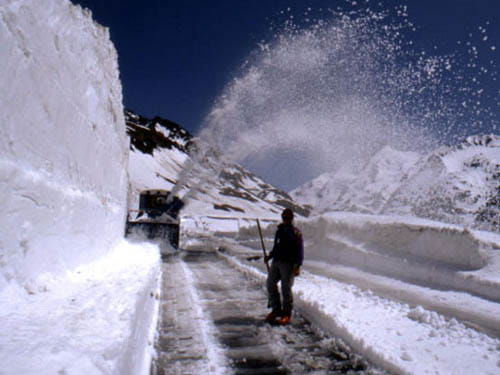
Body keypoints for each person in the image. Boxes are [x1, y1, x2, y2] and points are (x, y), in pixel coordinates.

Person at [264, 208, 303, 325]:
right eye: (284, 217)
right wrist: (270, 256)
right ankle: (276, 310)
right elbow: (276, 247)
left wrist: (298, 265)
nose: (285, 219)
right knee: (270, 283)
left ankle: (286, 314)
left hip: (288, 264)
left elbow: (300, 250)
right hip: (276, 261)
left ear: (291, 218)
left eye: (287, 217)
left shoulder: (296, 232)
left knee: (286, 288)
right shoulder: (279, 230)